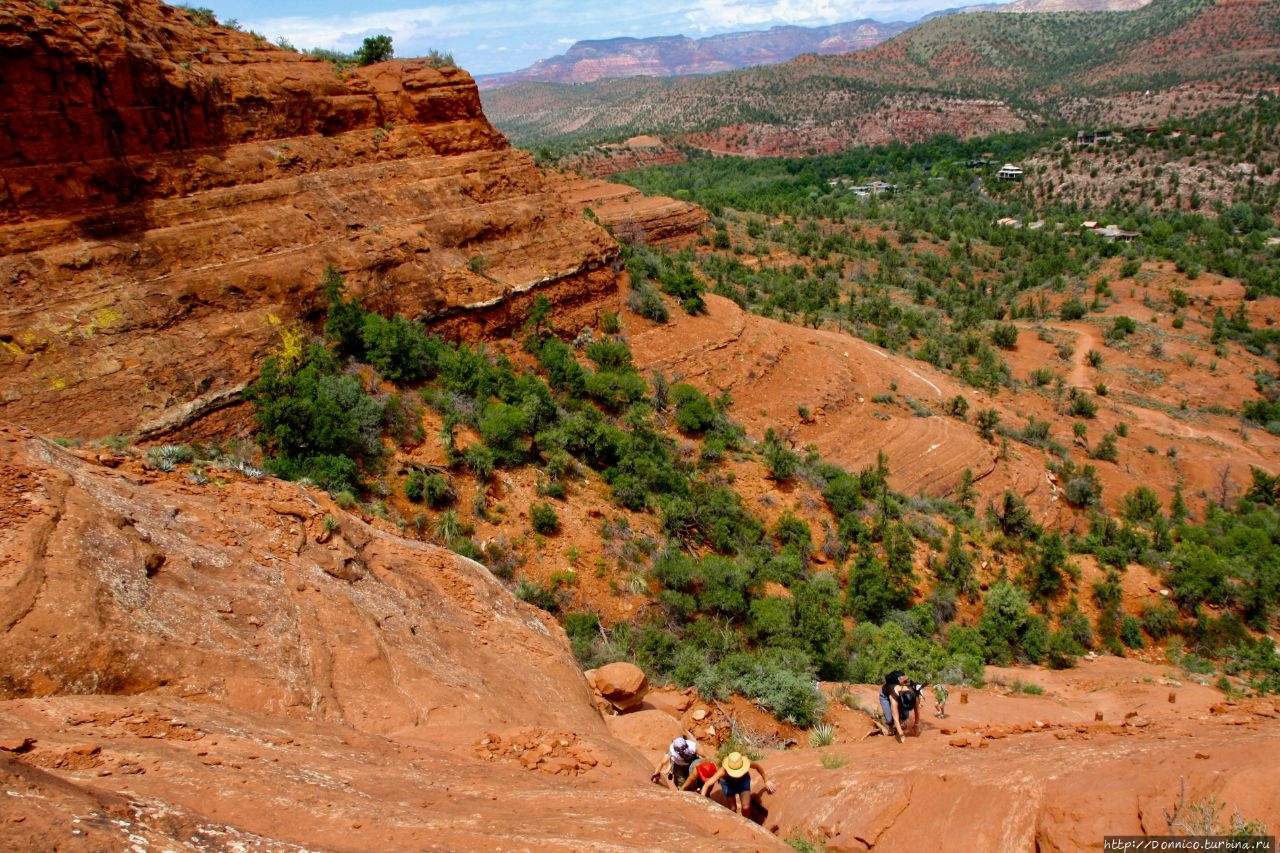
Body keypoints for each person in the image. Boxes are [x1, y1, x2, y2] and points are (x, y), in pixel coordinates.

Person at [701, 751, 774, 814]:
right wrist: (701, 799)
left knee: (746, 807)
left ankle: (746, 821)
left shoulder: (748, 763)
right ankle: (736, 820)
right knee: (732, 809)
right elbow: (707, 784)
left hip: (743, 781)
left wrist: (766, 780)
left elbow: (758, 767)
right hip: (728, 783)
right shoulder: (723, 771)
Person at [880, 671, 921, 743]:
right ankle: (890, 727)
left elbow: (917, 710)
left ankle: (900, 723)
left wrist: (916, 725)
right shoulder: (894, 695)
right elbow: (895, 717)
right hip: (885, 695)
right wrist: (901, 735)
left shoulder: (914, 694)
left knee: (905, 716)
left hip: (902, 694)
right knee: (890, 720)